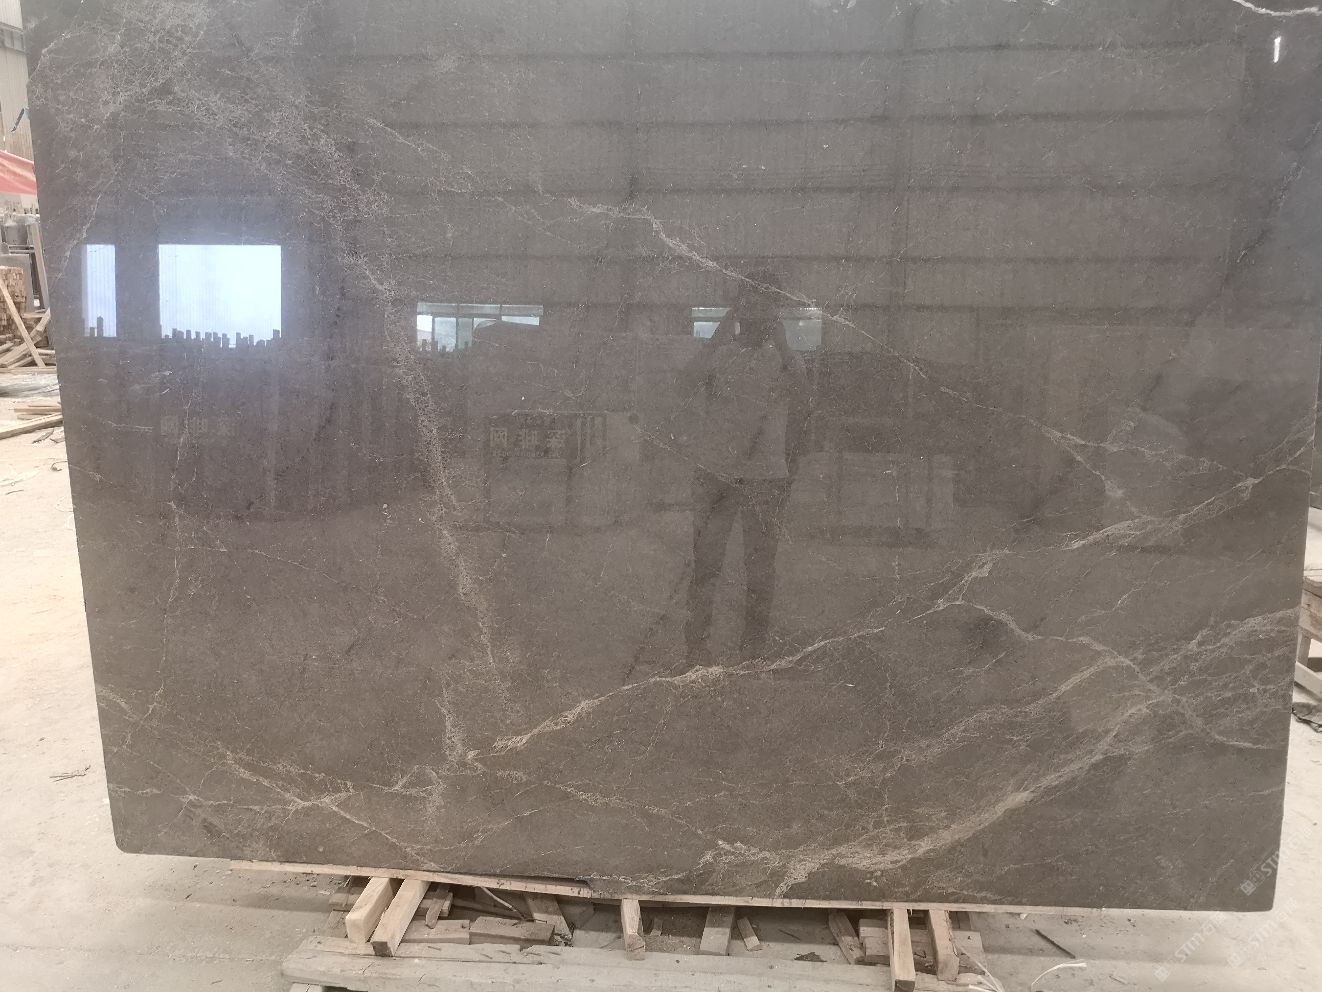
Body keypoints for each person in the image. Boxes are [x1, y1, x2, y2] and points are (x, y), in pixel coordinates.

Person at [679, 272, 810, 662]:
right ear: (738, 308)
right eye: (749, 301)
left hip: (764, 477)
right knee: (706, 563)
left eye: (766, 303)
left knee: (760, 566)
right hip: (715, 472)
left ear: (776, 311)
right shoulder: (720, 353)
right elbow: (685, 383)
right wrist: (718, 335)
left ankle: (753, 648)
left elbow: (804, 401)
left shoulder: (785, 361)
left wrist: (783, 347)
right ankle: (696, 647)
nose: (756, 311)